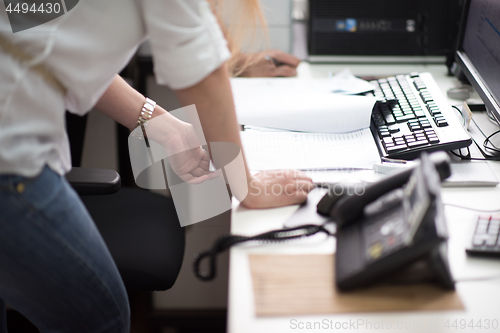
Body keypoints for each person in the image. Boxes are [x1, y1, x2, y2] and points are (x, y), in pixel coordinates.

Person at [0, 0, 313, 332]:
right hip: (10, 162)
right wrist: (247, 186)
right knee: (100, 319)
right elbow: (202, 70)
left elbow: (42, 39)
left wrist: (161, 123)